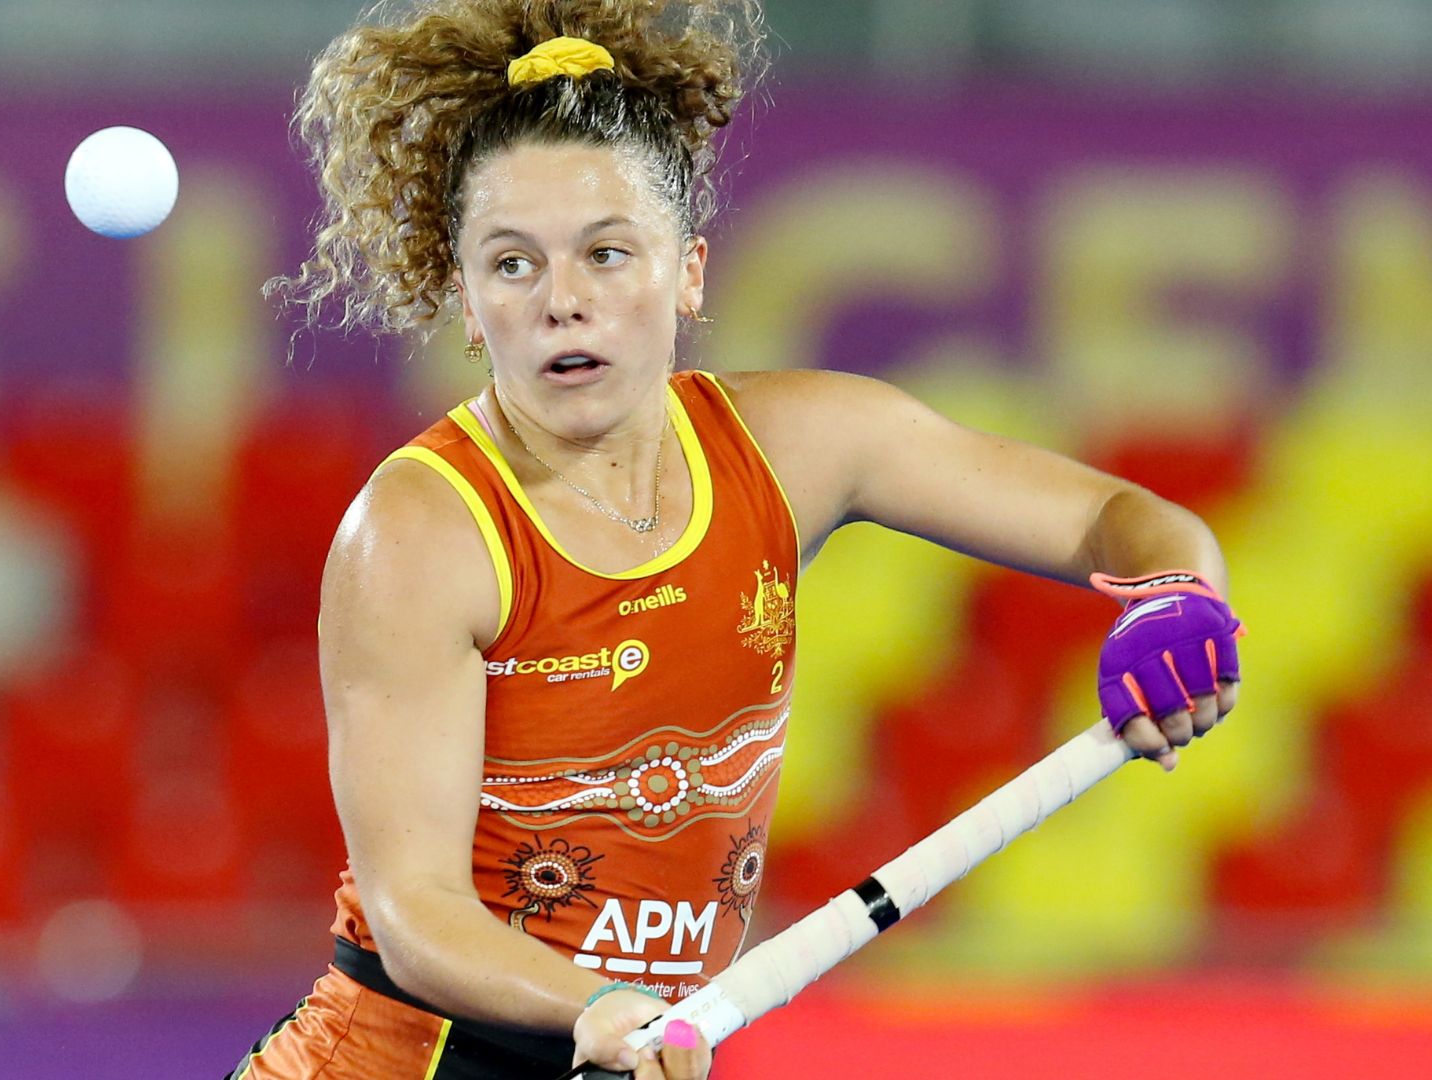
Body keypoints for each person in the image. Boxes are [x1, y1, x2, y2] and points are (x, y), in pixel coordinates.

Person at [230, 2, 1245, 1078]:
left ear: (693, 271)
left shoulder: (803, 444)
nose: (564, 303)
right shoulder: (419, 530)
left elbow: (1121, 521)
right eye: (513, 265)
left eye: (608, 254)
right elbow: (412, 907)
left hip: (639, 1050)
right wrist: (601, 1007)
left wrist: (1177, 595)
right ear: (471, 306)